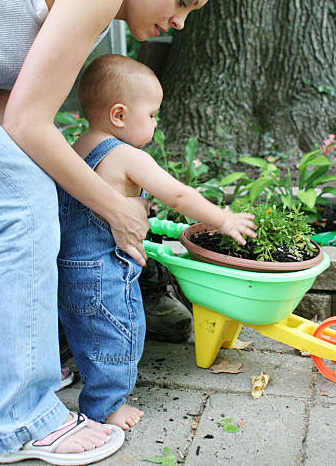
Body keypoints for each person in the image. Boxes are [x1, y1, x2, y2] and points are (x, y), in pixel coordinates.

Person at [0, 0, 227, 465]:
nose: (180, 23)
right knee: (20, 202)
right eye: (183, 1)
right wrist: (118, 209)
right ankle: (19, 420)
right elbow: (30, 126)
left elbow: (10, 120)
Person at [57, 54, 257, 430]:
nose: (155, 123)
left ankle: (66, 375)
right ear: (119, 115)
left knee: (83, 330)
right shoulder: (126, 155)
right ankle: (105, 407)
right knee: (121, 335)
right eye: (151, 115)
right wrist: (223, 218)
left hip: (66, 265)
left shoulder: (76, 148)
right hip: (104, 270)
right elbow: (178, 196)